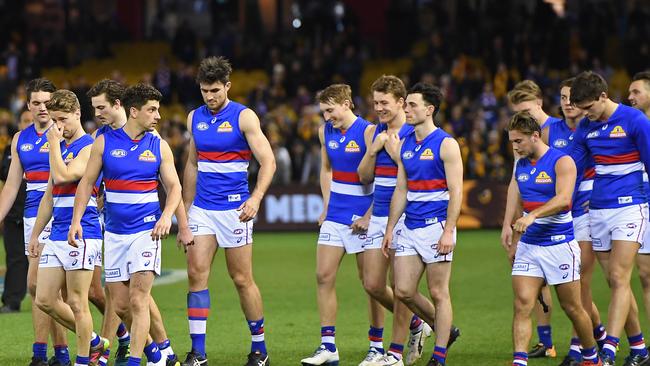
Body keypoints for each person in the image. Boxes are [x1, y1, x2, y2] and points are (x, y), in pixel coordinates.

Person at [69, 83, 183, 366]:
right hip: (115, 234)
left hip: (146, 232)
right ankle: (157, 356)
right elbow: (86, 184)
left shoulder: (160, 145)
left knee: (138, 299)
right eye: (152, 110)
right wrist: (76, 220)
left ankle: (135, 361)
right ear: (134, 111)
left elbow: (174, 186)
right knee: (119, 305)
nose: (158, 116)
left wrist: (168, 215)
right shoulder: (104, 142)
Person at [357, 75, 459, 366]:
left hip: (427, 220)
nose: (378, 108)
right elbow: (377, 180)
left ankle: (397, 352)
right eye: (374, 103)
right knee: (384, 286)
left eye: (384, 102)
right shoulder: (388, 135)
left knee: (432, 290)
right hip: (394, 216)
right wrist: (374, 150)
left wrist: (449, 229)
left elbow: (456, 190)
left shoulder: (433, 141)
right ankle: (431, 328)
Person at [182, 56, 276, 366]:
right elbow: (193, 164)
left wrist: (256, 197)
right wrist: (185, 209)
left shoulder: (244, 117)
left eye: (215, 91)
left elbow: (268, 162)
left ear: (227, 87)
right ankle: (198, 352)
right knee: (196, 275)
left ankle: (259, 348)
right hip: (203, 211)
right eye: (204, 91)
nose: (209, 97)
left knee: (241, 279)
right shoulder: (194, 117)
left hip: (235, 211)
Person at [507, 110, 601, 366]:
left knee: (573, 307)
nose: (515, 147)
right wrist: (514, 236)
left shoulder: (562, 162)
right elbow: (518, 201)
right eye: (512, 142)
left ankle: (592, 357)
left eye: (519, 141)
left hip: (560, 245)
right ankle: (520, 361)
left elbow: (563, 200)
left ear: (535, 136)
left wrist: (532, 216)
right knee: (523, 304)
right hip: (529, 246)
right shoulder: (521, 165)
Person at [570, 71, 650, 365]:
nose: (586, 114)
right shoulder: (585, 127)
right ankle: (639, 348)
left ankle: (609, 351)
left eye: (589, 107)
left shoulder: (635, 121)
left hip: (631, 207)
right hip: (598, 210)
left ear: (604, 97)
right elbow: (575, 169)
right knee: (616, 282)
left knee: (619, 277)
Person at [26, 89, 107, 366]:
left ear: (77, 114)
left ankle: (84, 360)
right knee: (44, 297)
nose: (58, 127)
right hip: (58, 232)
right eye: (55, 121)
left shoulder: (88, 147)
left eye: (63, 120)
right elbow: (49, 196)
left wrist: (53, 144)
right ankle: (95, 341)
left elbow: (62, 176)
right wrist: (36, 234)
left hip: (82, 232)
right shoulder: (62, 147)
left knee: (76, 301)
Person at [300, 83, 375, 366]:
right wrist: (326, 207)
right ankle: (328, 347)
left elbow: (382, 179)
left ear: (347, 103)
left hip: (362, 219)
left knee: (371, 284)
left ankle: (383, 343)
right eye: (323, 111)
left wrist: (369, 215)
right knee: (323, 276)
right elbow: (327, 169)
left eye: (330, 110)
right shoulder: (325, 131)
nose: (326, 116)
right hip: (336, 216)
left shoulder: (368, 132)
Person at [0, 78, 70, 366]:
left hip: (63, 215)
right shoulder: (20, 139)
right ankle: (48, 353)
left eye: (47, 102)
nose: (43, 108)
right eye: (37, 102)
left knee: (75, 293)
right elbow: (11, 186)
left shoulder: (66, 134)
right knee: (39, 290)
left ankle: (106, 339)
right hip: (33, 219)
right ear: (27, 105)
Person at [543, 78, 607, 366]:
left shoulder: (593, 129)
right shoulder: (550, 131)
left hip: (587, 210)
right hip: (560, 212)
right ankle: (601, 333)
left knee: (579, 281)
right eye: (563, 97)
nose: (567, 102)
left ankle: (577, 347)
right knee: (572, 283)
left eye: (572, 97)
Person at [503, 80, 561, 359]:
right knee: (532, 286)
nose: (523, 116)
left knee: (575, 293)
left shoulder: (558, 130)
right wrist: (510, 225)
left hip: (564, 220)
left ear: (539, 103)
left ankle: (589, 344)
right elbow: (516, 182)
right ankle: (546, 342)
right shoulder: (520, 139)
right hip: (531, 221)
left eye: (527, 109)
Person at [0, 109, 31, 314]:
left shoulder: (51, 146)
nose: (29, 123)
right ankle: (12, 300)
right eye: (25, 120)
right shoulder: (11, 148)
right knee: (14, 258)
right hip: (13, 214)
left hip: (38, 215)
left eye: (31, 120)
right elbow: (5, 180)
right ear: (19, 124)